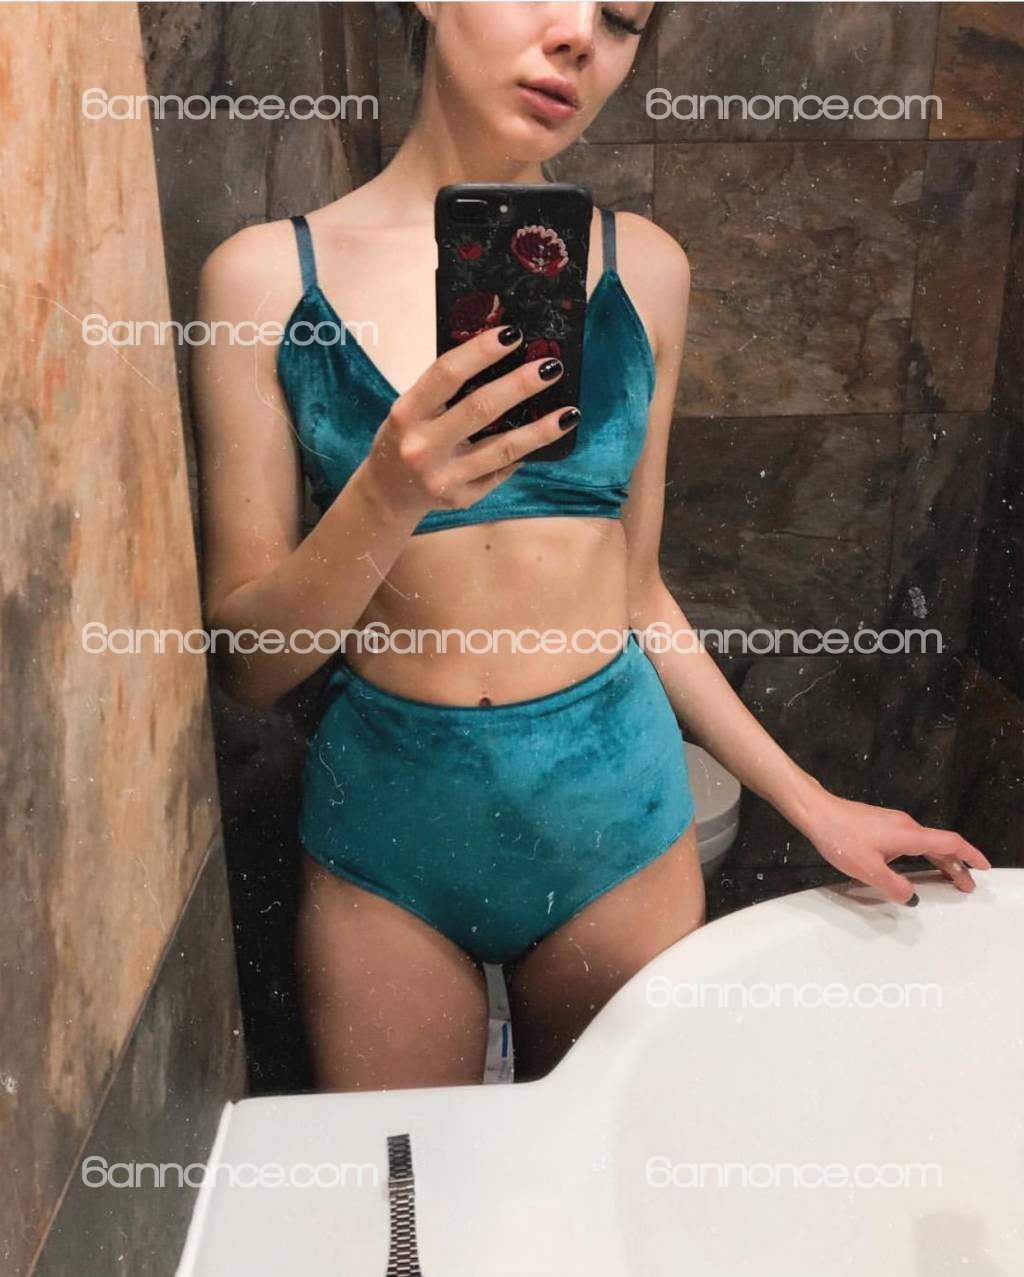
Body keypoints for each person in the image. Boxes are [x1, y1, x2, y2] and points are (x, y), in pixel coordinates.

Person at [191, 1, 990, 1091]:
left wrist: (816, 804)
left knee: (606, 1176)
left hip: (614, 821)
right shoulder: (264, 281)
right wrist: (387, 492)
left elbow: (640, 593)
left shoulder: (645, 270)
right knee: (406, 1183)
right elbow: (248, 667)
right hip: (389, 828)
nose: (580, 36)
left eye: (621, 18)